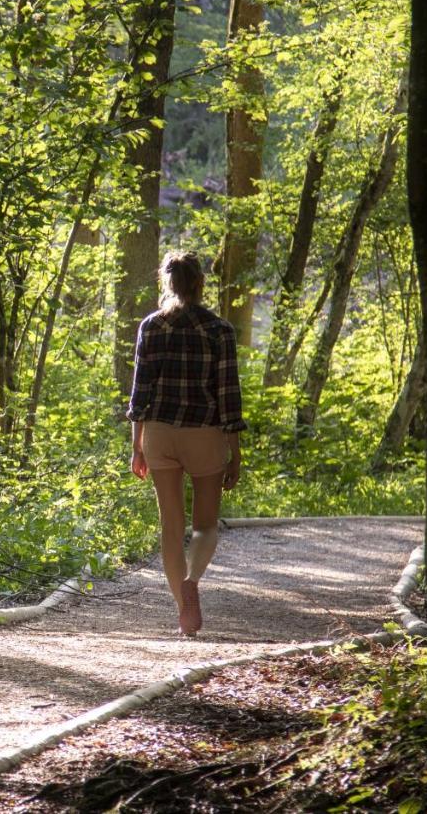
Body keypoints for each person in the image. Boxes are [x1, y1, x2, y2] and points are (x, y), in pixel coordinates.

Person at [126, 251, 245, 636]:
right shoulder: (220, 330)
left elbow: (139, 392)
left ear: (168, 282)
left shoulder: (151, 327)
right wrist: (235, 452)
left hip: (159, 432)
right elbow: (228, 394)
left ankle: (183, 610)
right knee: (205, 526)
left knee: (170, 526)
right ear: (200, 284)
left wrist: (137, 446)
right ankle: (193, 580)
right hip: (204, 432)